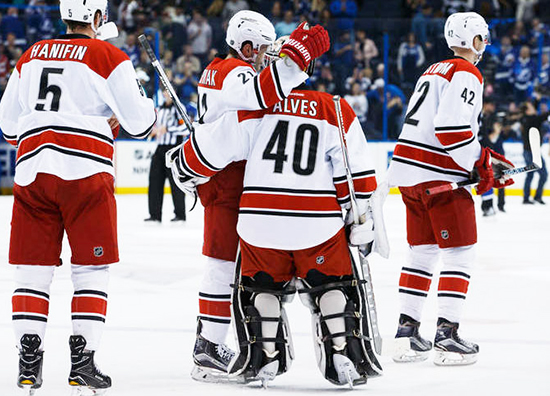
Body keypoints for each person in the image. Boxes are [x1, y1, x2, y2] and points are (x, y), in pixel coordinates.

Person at [170, 83, 383, 387]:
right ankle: (342, 352)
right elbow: (357, 177)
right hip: (317, 223)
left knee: (263, 288)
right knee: (331, 284)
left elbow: (206, 150)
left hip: (260, 223)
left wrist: (180, 165)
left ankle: (265, 354)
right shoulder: (333, 107)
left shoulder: (256, 105)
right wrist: (358, 217)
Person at [0, 0, 156, 394]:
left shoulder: (31, 55)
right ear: (99, 18)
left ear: (64, 16)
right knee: (90, 270)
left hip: (34, 172)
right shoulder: (109, 54)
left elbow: (7, 125)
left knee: (33, 270)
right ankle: (82, 362)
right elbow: (141, 124)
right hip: (86, 175)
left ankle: (28, 364)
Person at [172, 11, 330, 382]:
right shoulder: (235, 73)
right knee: (223, 263)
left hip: (224, 173)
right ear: (245, 46)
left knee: (230, 263)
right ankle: (209, 345)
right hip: (228, 176)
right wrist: (296, 62)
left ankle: (211, 338)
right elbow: (262, 97)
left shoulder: (220, 69)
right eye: (261, 50)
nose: (265, 58)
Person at [386, 12, 514, 366]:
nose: (485, 45)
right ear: (473, 40)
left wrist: (483, 160)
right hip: (439, 179)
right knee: (459, 254)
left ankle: (407, 334)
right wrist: (479, 162)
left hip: (409, 178)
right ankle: (447, 336)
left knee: (421, 254)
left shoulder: (432, 71)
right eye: (482, 38)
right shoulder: (467, 72)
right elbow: (452, 130)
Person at [145, 90, 190, 223]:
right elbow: (155, 127)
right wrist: (152, 131)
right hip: (160, 149)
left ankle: (180, 215)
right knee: (154, 181)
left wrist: (169, 129)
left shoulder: (179, 108)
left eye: (167, 92)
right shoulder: (159, 109)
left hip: (173, 150)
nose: (165, 94)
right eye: (164, 92)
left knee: (175, 183)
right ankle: (154, 215)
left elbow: (186, 129)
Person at [520, 101, 548, 204]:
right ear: (527, 111)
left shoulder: (528, 119)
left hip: (530, 151)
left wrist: (537, 100)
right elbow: (543, 116)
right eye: (531, 107)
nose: (534, 108)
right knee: (543, 174)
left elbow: (538, 114)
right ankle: (533, 197)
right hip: (531, 152)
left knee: (532, 174)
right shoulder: (532, 120)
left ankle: (529, 197)